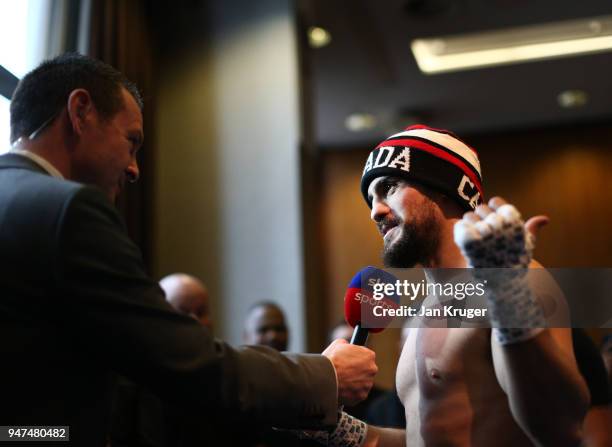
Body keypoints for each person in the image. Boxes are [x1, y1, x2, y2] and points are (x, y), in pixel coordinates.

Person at [0, 53, 377, 445]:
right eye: (131, 142)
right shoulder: (69, 210)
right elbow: (185, 361)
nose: (134, 169)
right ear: (80, 112)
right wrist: (324, 375)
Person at [309, 125, 590, 446]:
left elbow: (561, 428)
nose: (375, 211)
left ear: (443, 186)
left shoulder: (515, 277)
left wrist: (508, 296)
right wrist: (345, 433)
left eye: (389, 187)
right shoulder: (419, 315)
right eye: (370, 199)